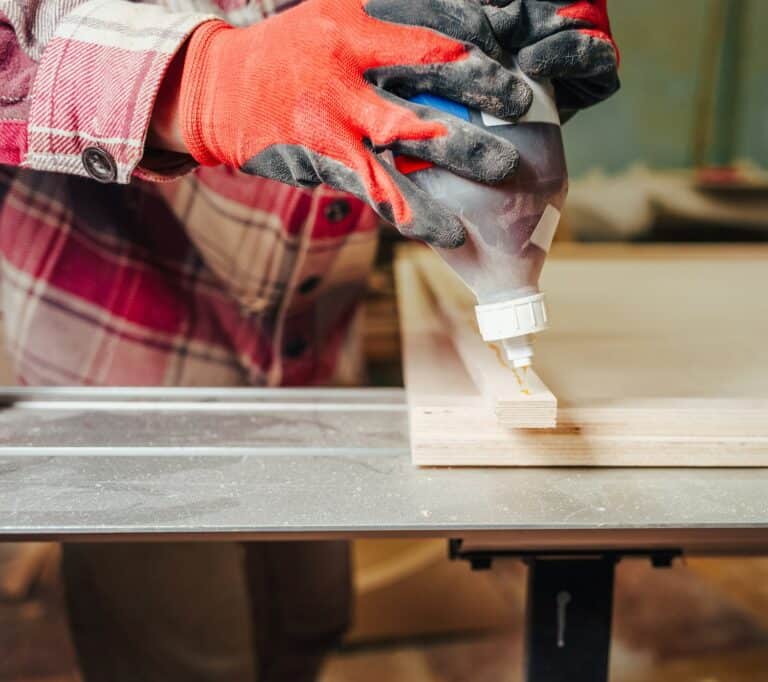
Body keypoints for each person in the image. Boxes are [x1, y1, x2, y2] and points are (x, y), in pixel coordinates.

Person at [0, 0, 618, 679]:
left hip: (314, 339)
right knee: (179, 645)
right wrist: (202, 79)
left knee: (308, 619)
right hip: (121, 331)